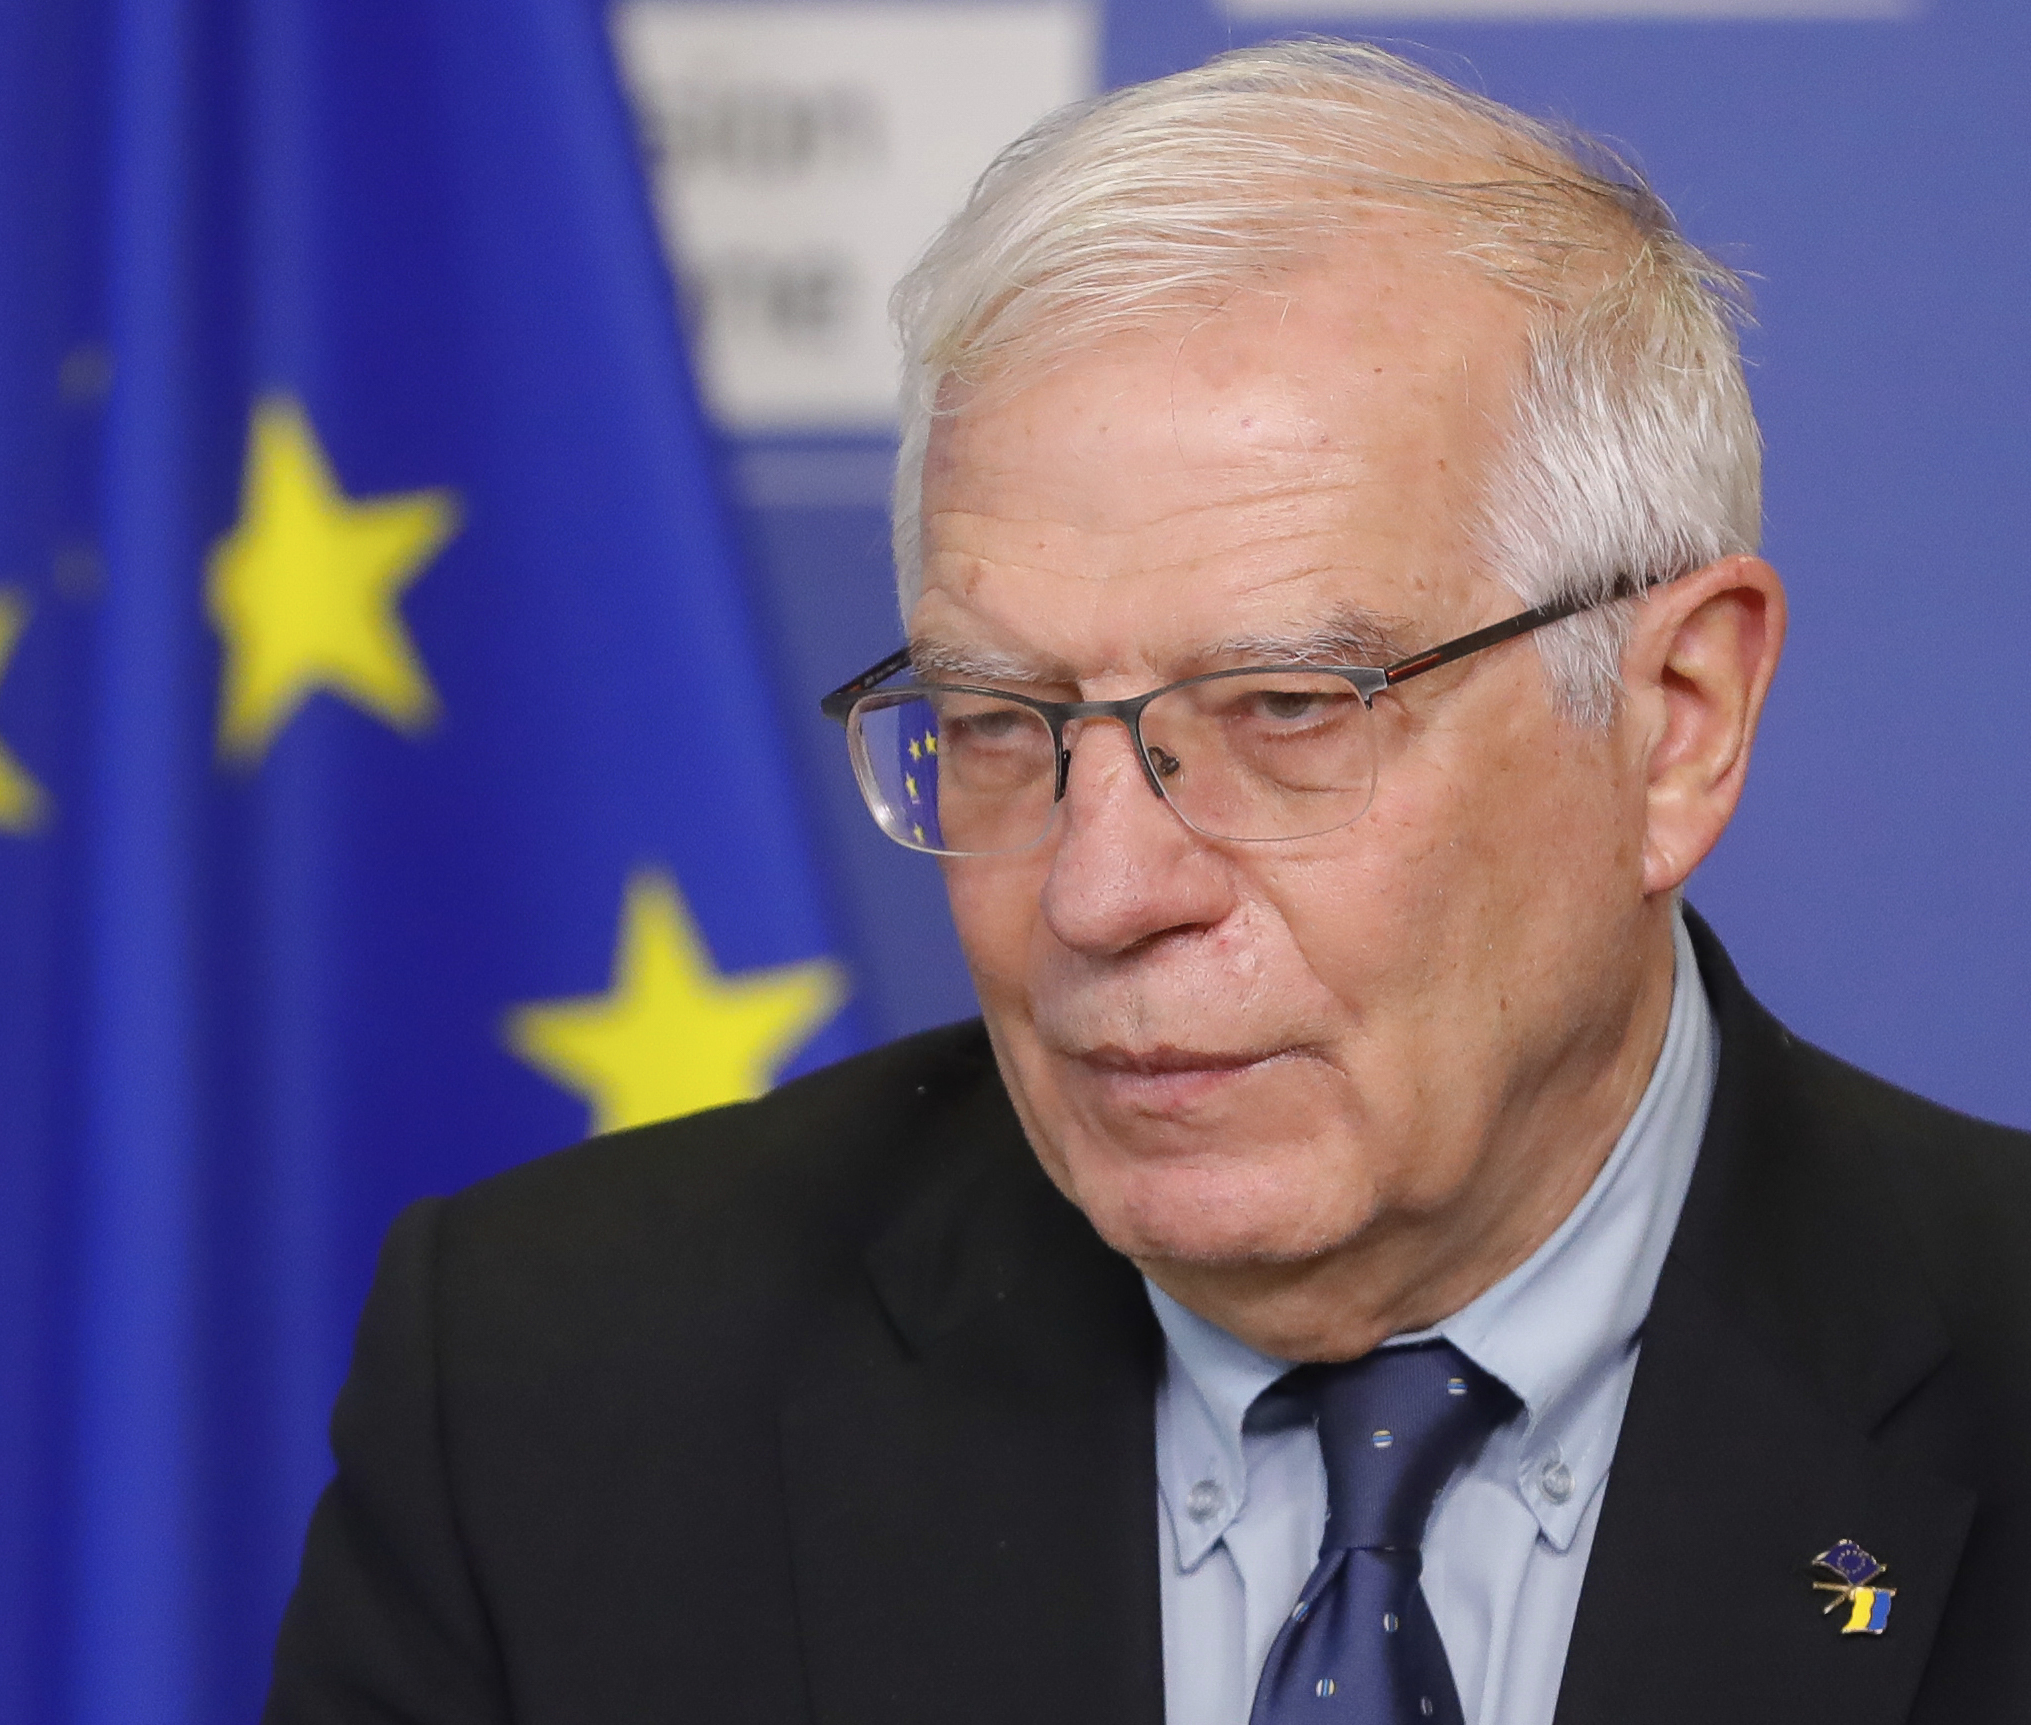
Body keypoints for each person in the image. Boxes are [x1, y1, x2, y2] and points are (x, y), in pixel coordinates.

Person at [263, 41, 2031, 1725]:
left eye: (1284, 711)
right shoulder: (558, 1391)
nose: (1101, 890)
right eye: (996, 718)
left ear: (1675, 721)